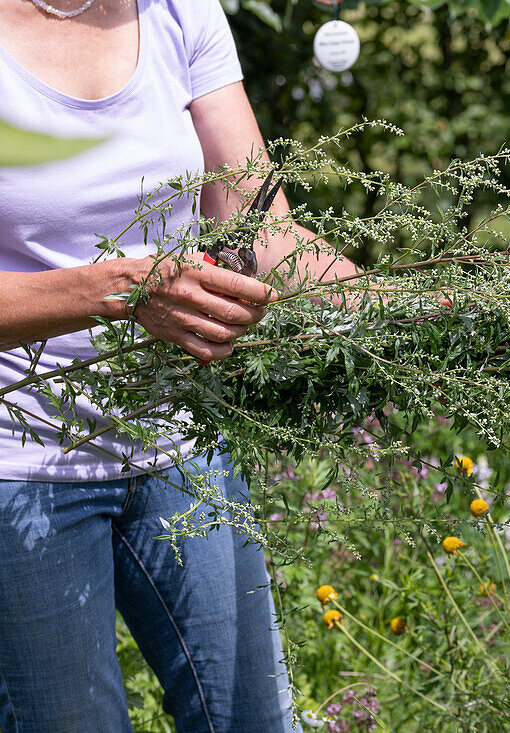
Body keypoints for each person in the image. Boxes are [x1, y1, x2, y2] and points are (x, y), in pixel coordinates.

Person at [0, 0, 359, 729]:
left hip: (181, 443)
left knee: (255, 719)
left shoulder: (178, 10)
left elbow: (263, 228)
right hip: (22, 463)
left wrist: (429, 302)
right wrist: (118, 290)